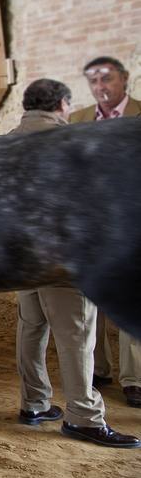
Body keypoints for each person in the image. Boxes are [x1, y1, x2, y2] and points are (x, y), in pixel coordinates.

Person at [10, 78, 137, 447]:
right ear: (62, 105)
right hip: (63, 259)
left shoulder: (6, 141)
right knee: (77, 336)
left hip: (20, 256)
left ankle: (34, 403)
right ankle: (83, 416)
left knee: (31, 328)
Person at [69, 56, 141, 408]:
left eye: (107, 79)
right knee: (92, 300)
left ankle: (135, 379)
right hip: (93, 227)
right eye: (94, 81)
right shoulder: (78, 120)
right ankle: (98, 367)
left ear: (124, 79)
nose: (100, 87)